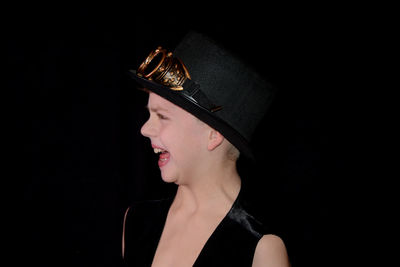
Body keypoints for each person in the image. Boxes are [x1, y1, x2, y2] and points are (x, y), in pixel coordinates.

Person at [122, 31, 290, 267]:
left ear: (213, 134)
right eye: (150, 114)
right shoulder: (137, 222)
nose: (145, 129)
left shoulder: (260, 249)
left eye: (162, 116)